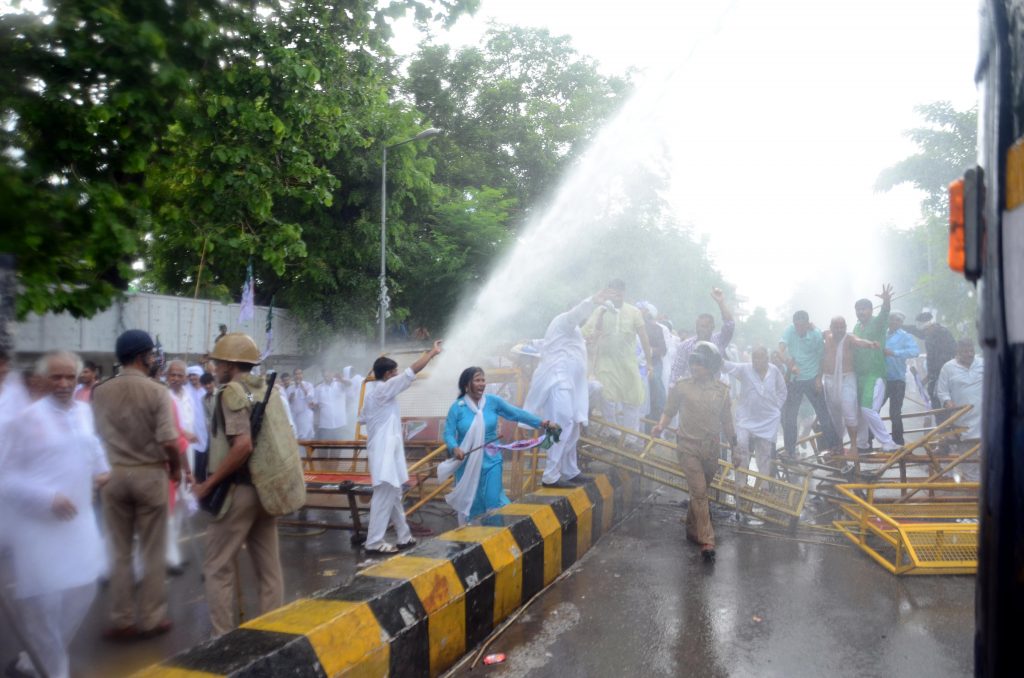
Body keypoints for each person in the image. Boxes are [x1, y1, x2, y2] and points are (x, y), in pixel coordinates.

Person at [0, 352, 110, 678]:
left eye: (69, 378)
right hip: (38, 530)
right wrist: (48, 497)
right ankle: (52, 671)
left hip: (79, 525)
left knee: (85, 589)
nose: (63, 384)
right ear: (43, 380)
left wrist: (103, 473)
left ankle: (32, 661)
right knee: (43, 608)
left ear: (78, 380)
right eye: (56, 378)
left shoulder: (85, 413)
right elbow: (5, 477)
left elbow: (95, 454)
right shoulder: (27, 419)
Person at [192, 333, 301, 637]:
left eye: (217, 362)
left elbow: (242, 446)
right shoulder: (267, 389)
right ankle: (271, 634)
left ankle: (222, 638)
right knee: (269, 569)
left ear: (229, 363)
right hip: (266, 490)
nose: (214, 367)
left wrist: (207, 484)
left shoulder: (231, 393)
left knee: (217, 566)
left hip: (237, 493)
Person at [90, 330, 180, 640]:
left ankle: (122, 619)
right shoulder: (157, 391)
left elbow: (95, 437)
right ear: (141, 356)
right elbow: (169, 441)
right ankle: (152, 619)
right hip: (149, 474)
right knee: (153, 552)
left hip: (113, 476)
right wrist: (177, 469)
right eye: (152, 354)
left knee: (120, 551)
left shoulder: (100, 391)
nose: (155, 359)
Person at [652, 342, 736, 562]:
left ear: (710, 367)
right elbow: (668, 411)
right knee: (699, 492)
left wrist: (736, 449)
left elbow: (728, 423)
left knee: (700, 492)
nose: (694, 367)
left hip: (711, 449)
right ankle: (707, 539)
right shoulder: (681, 386)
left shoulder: (722, 391)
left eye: (700, 363)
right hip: (687, 446)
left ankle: (691, 527)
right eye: (693, 362)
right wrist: (660, 426)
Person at [359, 341, 443, 554]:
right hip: (385, 452)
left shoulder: (373, 394)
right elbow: (411, 371)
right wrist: (432, 353)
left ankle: (404, 537)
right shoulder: (384, 389)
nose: (397, 374)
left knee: (394, 494)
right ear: (387, 374)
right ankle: (374, 542)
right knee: (384, 495)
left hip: (385, 450)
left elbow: (362, 419)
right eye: (394, 371)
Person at [523, 291, 609, 488]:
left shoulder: (573, 330)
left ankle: (570, 471)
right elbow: (575, 315)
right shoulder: (563, 320)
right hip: (557, 381)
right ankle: (550, 475)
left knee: (573, 425)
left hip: (571, 384)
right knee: (561, 423)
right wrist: (591, 301)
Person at [444, 367, 549, 523]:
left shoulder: (493, 402)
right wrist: (454, 447)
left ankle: (496, 534)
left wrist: (540, 422)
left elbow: (516, 413)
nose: (482, 384)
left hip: (492, 459)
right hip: (467, 462)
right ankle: (476, 539)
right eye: (477, 380)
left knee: (493, 500)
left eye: (483, 380)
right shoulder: (457, 407)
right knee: (474, 503)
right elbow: (448, 433)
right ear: (467, 384)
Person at [582, 279, 650, 431]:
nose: (617, 293)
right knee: (608, 397)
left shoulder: (634, 312)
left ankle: (631, 438)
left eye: (620, 290)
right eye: (613, 290)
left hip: (628, 363)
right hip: (606, 362)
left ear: (624, 293)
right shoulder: (600, 310)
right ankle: (611, 433)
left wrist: (650, 362)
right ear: (608, 292)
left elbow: (644, 337)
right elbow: (587, 333)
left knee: (632, 400)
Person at [722, 347, 787, 490]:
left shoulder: (774, 371)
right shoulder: (745, 369)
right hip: (746, 418)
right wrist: (711, 351)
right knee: (741, 446)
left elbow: (782, 391)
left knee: (764, 454)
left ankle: (764, 487)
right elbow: (726, 365)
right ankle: (740, 483)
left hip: (768, 420)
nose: (757, 361)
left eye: (760, 357)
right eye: (754, 358)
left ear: (767, 358)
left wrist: (777, 408)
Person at [779, 310, 839, 457]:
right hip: (795, 380)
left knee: (823, 413)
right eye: (796, 325)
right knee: (789, 416)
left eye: (801, 325)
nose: (798, 328)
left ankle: (834, 446)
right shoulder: (789, 330)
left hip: (812, 378)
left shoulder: (816, 335)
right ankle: (790, 450)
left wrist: (819, 378)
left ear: (808, 324)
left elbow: (822, 357)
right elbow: (780, 351)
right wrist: (789, 364)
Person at [852, 285, 900, 452]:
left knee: (868, 408)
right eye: (858, 309)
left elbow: (885, 312)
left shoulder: (878, 323)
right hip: (860, 375)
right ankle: (862, 444)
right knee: (860, 412)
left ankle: (888, 442)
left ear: (871, 310)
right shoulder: (857, 328)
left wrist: (886, 301)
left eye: (864, 309)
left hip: (875, 373)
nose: (861, 312)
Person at [822, 316, 880, 450]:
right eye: (836, 326)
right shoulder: (826, 336)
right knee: (834, 415)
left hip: (847, 379)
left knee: (849, 411)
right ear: (830, 327)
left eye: (842, 326)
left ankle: (854, 446)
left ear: (846, 327)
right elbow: (815, 331)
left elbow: (860, 341)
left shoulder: (849, 338)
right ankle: (839, 445)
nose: (839, 329)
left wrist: (870, 344)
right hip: (829, 380)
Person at [668, 287, 735, 384]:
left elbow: (730, 325)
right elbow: (676, 373)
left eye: (704, 326)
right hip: (691, 393)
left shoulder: (719, 340)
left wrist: (721, 302)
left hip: (713, 391)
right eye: (698, 326)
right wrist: (673, 393)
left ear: (712, 327)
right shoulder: (685, 346)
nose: (701, 329)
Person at [937, 337, 985, 459]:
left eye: (971, 351)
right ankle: (970, 478)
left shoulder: (983, 363)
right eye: (965, 352)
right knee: (967, 458)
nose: (969, 355)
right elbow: (942, 392)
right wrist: (947, 402)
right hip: (962, 416)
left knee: (990, 459)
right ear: (958, 351)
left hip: (984, 417)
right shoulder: (948, 368)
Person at [907, 310, 957, 419]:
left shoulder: (944, 334)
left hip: (945, 377)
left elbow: (941, 361)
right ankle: (943, 432)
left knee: (944, 408)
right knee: (937, 408)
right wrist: (900, 326)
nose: (924, 334)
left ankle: (948, 432)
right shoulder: (929, 334)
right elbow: (916, 331)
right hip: (934, 378)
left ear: (931, 326)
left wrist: (929, 377)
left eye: (925, 331)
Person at [883, 312, 920, 445]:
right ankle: (868, 440)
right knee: (872, 409)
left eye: (897, 320)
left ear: (901, 322)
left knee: (895, 412)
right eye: (891, 319)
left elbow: (915, 352)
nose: (894, 322)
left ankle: (898, 443)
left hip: (897, 380)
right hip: (881, 379)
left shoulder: (905, 336)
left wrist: (894, 353)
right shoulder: (882, 334)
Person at [637, 301, 668, 424]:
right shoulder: (632, 326)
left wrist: (647, 351)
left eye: (643, 311)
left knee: (654, 380)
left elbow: (663, 349)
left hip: (653, 363)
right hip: (633, 362)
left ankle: (660, 409)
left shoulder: (656, 328)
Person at [315, 370, 349, 440]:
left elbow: (349, 384)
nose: (327, 376)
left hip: (340, 423)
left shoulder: (339, 384)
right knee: (324, 446)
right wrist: (316, 422)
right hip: (325, 424)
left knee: (337, 447)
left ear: (332, 374)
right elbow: (315, 405)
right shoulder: (318, 388)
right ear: (323, 376)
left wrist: (341, 379)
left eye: (329, 373)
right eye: (325, 374)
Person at [286, 368, 316, 440]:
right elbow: (287, 403)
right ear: (293, 376)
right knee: (296, 437)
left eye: (299, 374)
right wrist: (290, 398)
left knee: (305, 437)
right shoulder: (290, 388)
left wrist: (302, 387)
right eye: (296, 374)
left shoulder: (308, 385)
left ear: (302, 375)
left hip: (305, 415)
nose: (298, 376)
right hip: (294, 416)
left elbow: (310, 398)